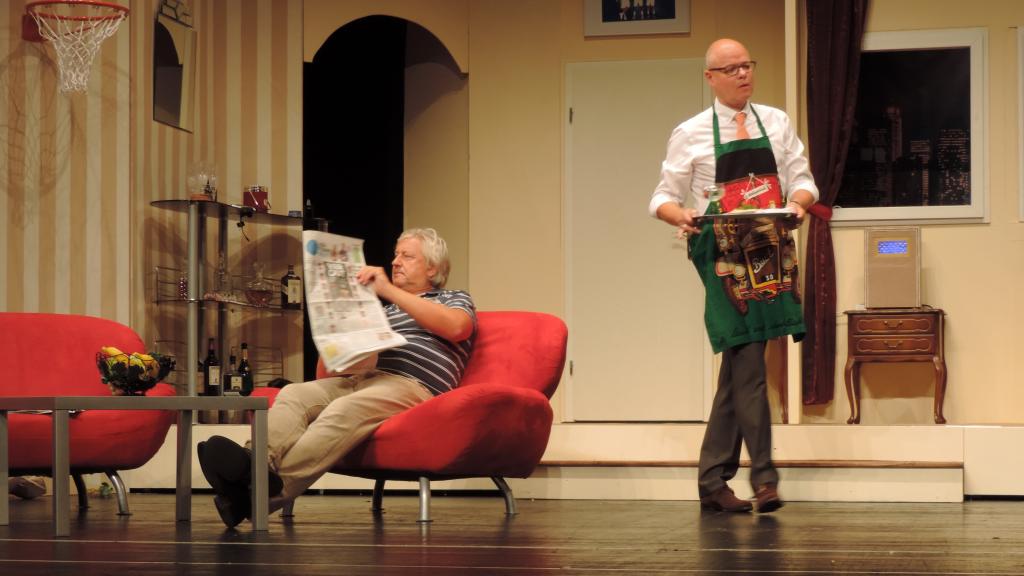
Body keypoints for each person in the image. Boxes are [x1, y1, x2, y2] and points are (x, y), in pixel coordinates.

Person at [198, 228, 476, 528]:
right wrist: (335, 331)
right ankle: (252, 464)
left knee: (343, 410)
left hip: (411, 385)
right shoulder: (383, 311)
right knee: (294, 394)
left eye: (407, 256)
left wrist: (387, 290)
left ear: (432, 268)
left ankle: (251, 497)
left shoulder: (452, 298)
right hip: (365, 378)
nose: (395, 262)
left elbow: (457, 327)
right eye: (396, 254)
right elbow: (324, 374)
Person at [649, 38, 819, 514]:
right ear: (711, 78)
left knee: (741, 361)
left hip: (769, 248)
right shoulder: (691, 132)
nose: (743, 74)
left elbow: (803, 180)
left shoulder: (776, 121)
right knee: (748, 357)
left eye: (747, 65)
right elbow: (661, 197)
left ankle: (712, 480)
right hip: (721, 252)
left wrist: (798, 205)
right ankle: (765, 477)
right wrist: (680, 214)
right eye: (732, 68)